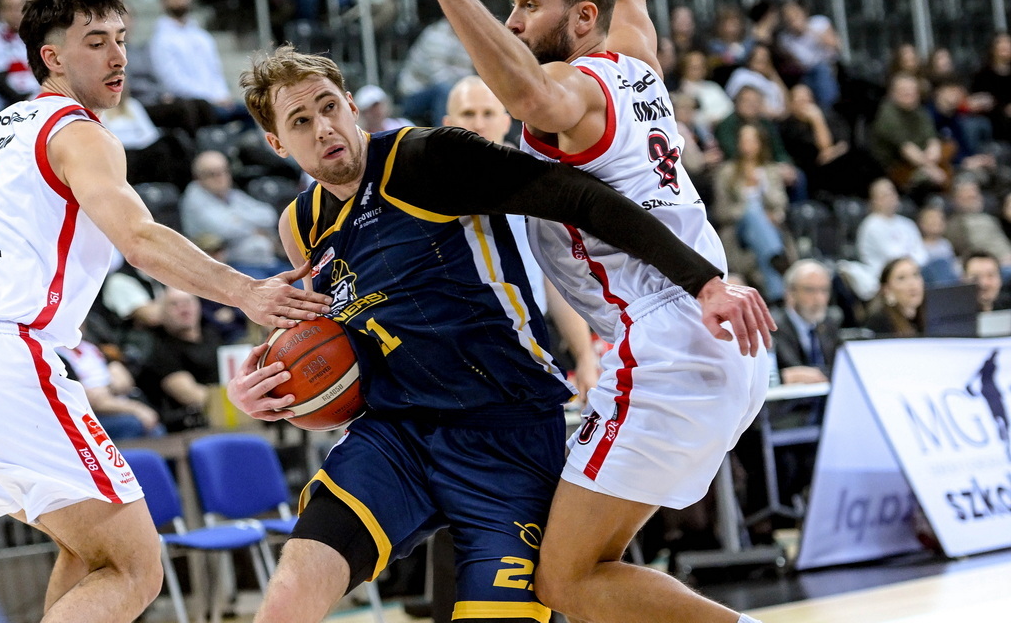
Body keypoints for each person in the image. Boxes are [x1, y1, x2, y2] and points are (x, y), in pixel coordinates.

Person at [0, 0, 331, 623]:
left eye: (121, 38)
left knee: (90, 552)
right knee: (136, 567)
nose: (118, 56)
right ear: (53, 58)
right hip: (2, 364)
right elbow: (139, 239)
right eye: (96, 42)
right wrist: (246, 291)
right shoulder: (79, 133)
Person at [226, 46, 771, 623]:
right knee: (289, 596)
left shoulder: (429, 158)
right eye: (300, 121)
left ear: (352, 105)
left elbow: (578, 196)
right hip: (397, 434)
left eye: (328, 106)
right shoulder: (301, 224)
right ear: (277, 144)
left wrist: (702, 280)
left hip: (507, 431)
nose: (323, 128)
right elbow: (332, 339)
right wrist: (270, 389)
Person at [418, 0, 772, 623]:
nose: (513, 22)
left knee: (569, 579)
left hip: (665, 345)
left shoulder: (577, 90)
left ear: (582, 19)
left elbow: (525, 91)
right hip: (712, 338)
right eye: (510, 5)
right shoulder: (637, 62)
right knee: (589, 565)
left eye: (527, 6)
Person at [443, 74, 601, 396]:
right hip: (459, 347)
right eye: (468, 114)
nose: (478, 124)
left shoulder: (534, 182)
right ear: (447, 123)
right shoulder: (426, 189)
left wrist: (585, 356)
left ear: (505, 121)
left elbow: (556, 278)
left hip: (531, 339)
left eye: (488, 113)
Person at [712, 124, 793, 301]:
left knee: (761, 239)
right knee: (753, 211)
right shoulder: (726, 172)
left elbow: (781, 205)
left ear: (760, 143)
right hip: (737, 230)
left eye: (752, 140)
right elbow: (721, 211)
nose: (747, 144)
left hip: (767, 229)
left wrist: (763, 186)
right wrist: (747, 210)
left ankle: (776, 294)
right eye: (743, 140)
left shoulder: (770, 171)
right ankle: (776, 256)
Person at [180, 150, 287, 278]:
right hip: (230, 267)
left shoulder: (232, 194)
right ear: (198, 177)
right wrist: (254, 229)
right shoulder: (194, 199)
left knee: (303, 283)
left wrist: (236, 219)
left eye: (224, 171)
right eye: (212, 174)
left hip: (266, 261)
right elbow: (225, 229)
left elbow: (269, 215)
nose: (220, 178)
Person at [134, 287, 227, 432]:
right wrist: (235, 400)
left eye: (188, 302)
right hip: (190, 425)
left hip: (229, 410)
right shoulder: (161, 350)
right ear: (162, 313)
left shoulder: (212, 335)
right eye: (174, 304)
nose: (183, 308)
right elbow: (189, 395)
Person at [870, 71, 950, 196]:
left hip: (923, 160)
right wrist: (931, 168)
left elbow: (932, 138)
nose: (910, 94)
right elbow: (907, 149)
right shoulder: (887, 115)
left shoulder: (919, 111)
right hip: (897, 167)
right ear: (892, 93)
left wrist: (934, 149)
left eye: (913, 91)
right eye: (904, 91)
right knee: (930, 179)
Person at [771, 260, 841, 384]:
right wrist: (782, 377)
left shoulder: (831, 323)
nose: (819, 298)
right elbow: (766, 376)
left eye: (824, 290)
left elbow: (838, 368)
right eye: (810, 290)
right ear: (790, 293)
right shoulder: (772, 327)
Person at [862, 256, 925, 337]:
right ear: (887, 289)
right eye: (901, 278)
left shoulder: (925, 317)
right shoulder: (880, 323)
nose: (912, 284)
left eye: (915, 274)